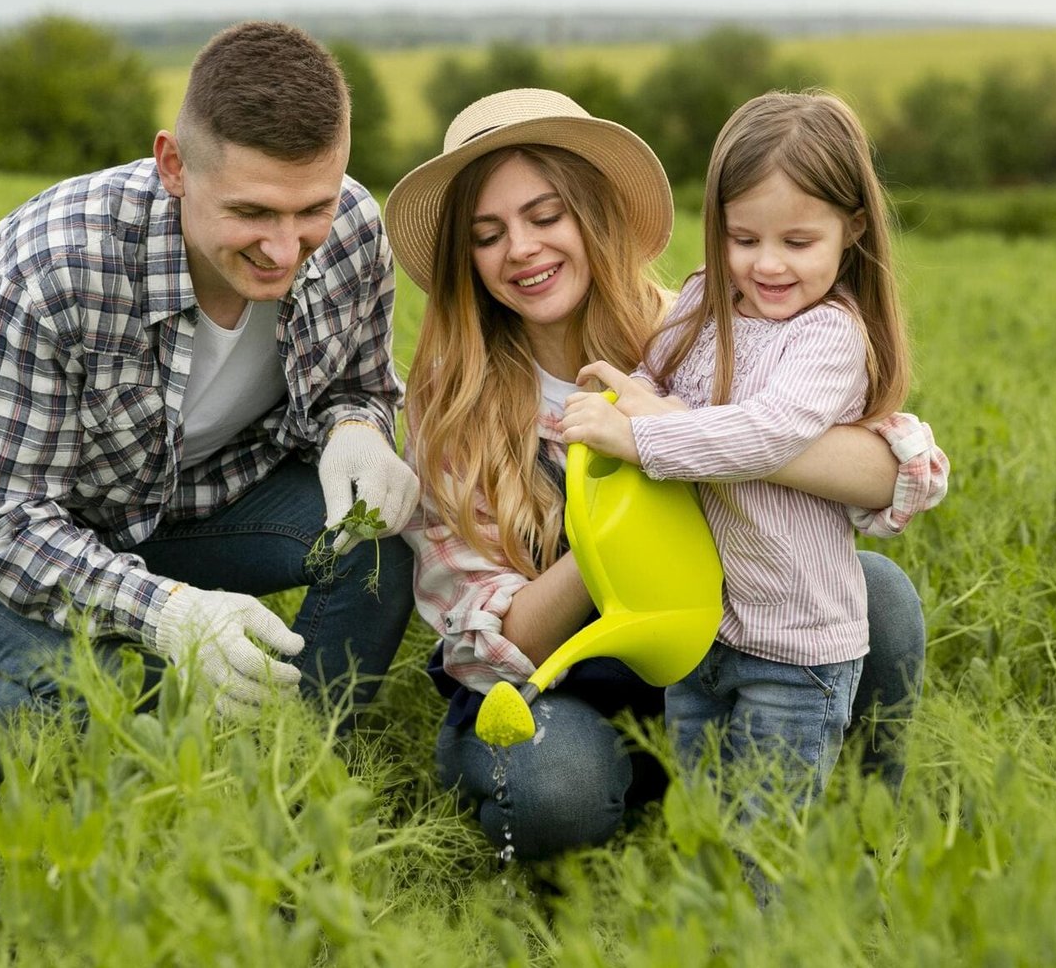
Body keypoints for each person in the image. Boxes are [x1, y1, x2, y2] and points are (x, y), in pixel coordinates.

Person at [0, 21, 419, 794]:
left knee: (378, 550)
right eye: (252, 213)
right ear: (174, 166)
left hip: (177, 494)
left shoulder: (350, 230)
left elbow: (357, 383)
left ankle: (276, 783)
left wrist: (359, 428)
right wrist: (171, 611)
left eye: (309, 208)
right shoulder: (54, 266)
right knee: (123, 677)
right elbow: (2, 525)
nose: (286, 248)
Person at [384, 89, 946, 860]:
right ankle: (629, 800)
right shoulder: (455, 410)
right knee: (554, 789)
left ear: (593, 214)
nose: (521, 249)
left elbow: (901, 467)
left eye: (546, 217)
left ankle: (855, 821)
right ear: (467, 258)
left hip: (724, 648)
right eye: (488, 234)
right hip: (565, 688)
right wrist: (618, 534)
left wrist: (672, 431)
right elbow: (485, 644)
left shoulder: (692, 327)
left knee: (879, 594)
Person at [563, 89, 931, 815]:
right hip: (704, 630)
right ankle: (718, 927)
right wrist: (621, 393)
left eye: (798, 242)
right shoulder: (705, 302)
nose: (766, 265)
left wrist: (640, 434)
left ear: (851, 228)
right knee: (706, 823)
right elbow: (656, 376)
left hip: (796, 645)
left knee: (764, 835)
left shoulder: (827, 337)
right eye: (743, 238)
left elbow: (769, 433)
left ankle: (802, 917)